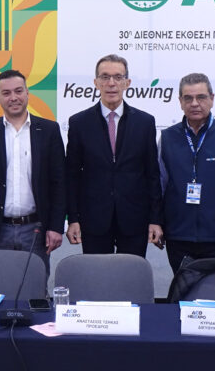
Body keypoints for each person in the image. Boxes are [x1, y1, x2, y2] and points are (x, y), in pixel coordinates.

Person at [0, 70, 66, 277]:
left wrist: (56, 226)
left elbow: (59, 183)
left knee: (34, 287)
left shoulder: (49, 130)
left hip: (36, 230)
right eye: (6, 93)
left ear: (28, 93)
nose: (13, 97)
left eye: (18, 91)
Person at [65, 54, 163, 256]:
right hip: (93, 219)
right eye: (105, 77)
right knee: (97, 274)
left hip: (135, 218)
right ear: (96, 83)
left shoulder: (145, 122)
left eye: (118, 77)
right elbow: (72, 175)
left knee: (131, 273)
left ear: (127, 83)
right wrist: (72, 218)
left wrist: (155, 219)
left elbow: (152, 175)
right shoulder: (79, 123)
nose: (111, 83)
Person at [158, 73, 215, 274]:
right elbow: (159, 186)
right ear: (180, 102)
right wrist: (156, 222)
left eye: (201, 97)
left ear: (212, 99)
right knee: (184, 289)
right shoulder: (167, 138)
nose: (194, 103)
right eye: (188, 98)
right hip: (179, 236)